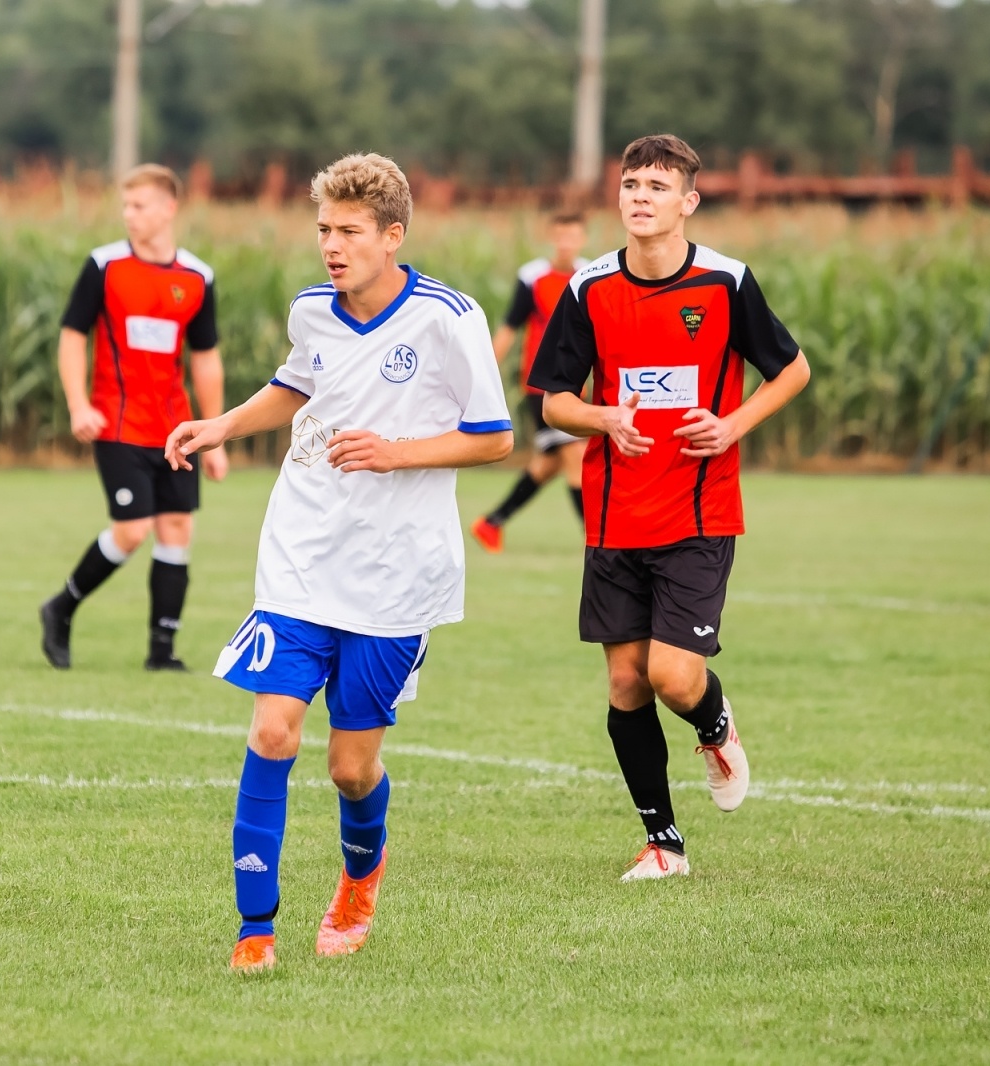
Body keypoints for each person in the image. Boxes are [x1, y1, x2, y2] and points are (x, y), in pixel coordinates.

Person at [163, 153, 513, 973]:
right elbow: (294, 385)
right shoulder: (311, 311)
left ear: (393, 236)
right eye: (324, 229)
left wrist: (396, 454)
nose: (331, 244)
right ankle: (256, 930)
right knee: (273, 728)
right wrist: (221, 425)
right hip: (301, 556)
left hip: (397, 576)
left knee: (351, 769)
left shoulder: (447, 318)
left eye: (349, 231)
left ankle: (360, 880)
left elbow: (495, 436)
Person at [527, 134, 811, 881]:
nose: (640, 196)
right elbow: (554, 398)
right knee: (625, 682)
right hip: (615, 513)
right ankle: (664, 844)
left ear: (688, 200)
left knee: (673, 679)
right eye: (630, 183)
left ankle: (715, 725)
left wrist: (732, 426)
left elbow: (793, 370)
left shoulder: (725, 282)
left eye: (658, 185)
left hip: (698, 511)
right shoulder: (587, 288)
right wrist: (603, 418)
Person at [38, 164, 228, 672]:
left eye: (139, 205)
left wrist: (216, 434)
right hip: (117, 424)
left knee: (176, 530)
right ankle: (61, 608)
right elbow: (72, 337)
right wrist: (79, 404)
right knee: (132, 531)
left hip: (175, 429)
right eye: (125, 206)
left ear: (169, 208)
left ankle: (161, 653)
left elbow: (205, 359)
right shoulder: (103, 266)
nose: (130, 215)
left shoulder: (197, 277)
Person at [470, 212, 590, 553]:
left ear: (582, 239)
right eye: (561, 236)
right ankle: (598, 541)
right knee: (575, 456)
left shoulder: (590, 275)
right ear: (552, 238)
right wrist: (484, 377)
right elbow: (509, 329)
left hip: (578, 386)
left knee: (549, 463)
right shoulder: (532, 277)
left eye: (573, 237)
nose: (566, 243)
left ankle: (491, 522)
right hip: (542, 387)